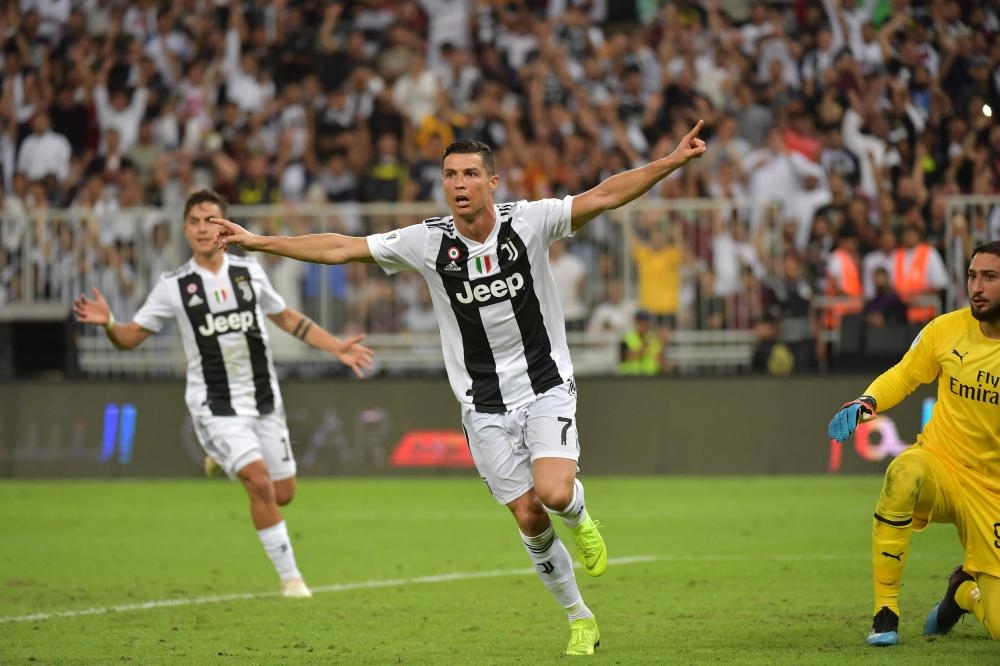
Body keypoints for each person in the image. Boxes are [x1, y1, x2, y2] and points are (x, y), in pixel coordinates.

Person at [209, 121, 708, 656]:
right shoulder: (427, 241)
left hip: (544, 385)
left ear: (494, 183)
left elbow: (607, 195)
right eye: (450, 175)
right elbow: (340, 248)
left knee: (556, 493)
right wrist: (260, 242)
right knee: (527, 516)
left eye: (470, 173)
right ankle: (578, 617)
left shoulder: (532, 222)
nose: (459, 183)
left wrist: (671, 161)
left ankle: (582, 517)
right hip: (482, 404)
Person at [73, 189, 374, 599]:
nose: (202, 228)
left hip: (264, 400)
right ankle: (292, 579)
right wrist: (110, 322)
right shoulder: (173, 287)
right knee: (259, 482)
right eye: (195, 220)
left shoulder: (248, 272)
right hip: (215, 406)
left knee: (283, 494)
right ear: (185, 228)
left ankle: (219, 461)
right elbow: (129, 339)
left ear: (225, 226)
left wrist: (335, 345)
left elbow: (285, 317)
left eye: (210, 219)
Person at [827, 240, 1000, 647]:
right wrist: (867, 401)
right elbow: (904, 376)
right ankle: (885, 612)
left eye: (990, 277)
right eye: (973, 275)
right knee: (903, 470)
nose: (977, 286)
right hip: (942, 465)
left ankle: (961, 593)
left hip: (992, 493)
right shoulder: (945, 330)